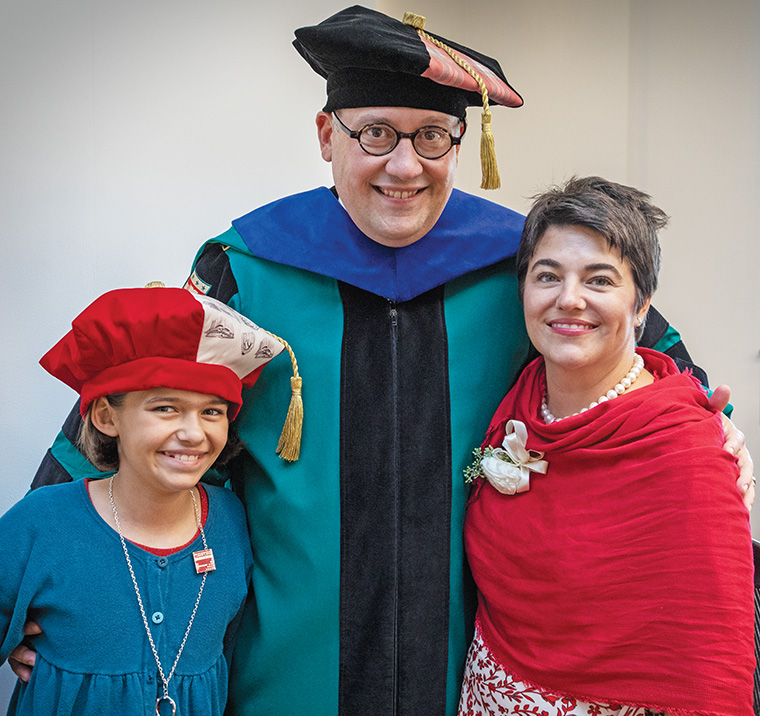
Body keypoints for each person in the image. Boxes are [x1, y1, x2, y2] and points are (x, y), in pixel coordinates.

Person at [17, 7, 754, 716]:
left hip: (475, 654)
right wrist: (47, 587)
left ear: (461, 146)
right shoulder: (248, 267)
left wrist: (718, 439)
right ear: (325, 136)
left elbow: (647, 367)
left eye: (432, 136)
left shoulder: (522, 265)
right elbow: (126, 416)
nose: (404, 165)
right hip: (288, 653)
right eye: (375, 133)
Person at [459, 177, 754, 716]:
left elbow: (715, 664)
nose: (569, 299)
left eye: (599, 280)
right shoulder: (519, 402)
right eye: (547, 276)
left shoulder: (686, 450)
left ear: (642, 306)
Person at [0, 286, 295, 715]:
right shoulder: (41, 524)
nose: (194, 433)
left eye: (212, 412)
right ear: (106, 416)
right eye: (165, 408)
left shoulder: (232, 520)